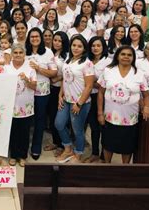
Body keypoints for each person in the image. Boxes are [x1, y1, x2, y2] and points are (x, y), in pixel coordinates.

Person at [97, 45, 149, 163]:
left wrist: (147, 107)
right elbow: (101, 93)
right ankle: (107, 165)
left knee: (127, 147)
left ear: (133, 58)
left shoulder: (139, 74)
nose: (126, 57)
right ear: (117, 56)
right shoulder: (108, 71)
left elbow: (146, 96)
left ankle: (125, 167)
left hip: (130, 118)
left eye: (129, 55)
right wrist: (100, 113)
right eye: (123, 54)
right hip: (110, 116)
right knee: (108, 144)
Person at [55, 35, 94, 164]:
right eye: (74, 45)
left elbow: (89, 86)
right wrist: (60, 95)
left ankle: (78, 153)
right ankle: (68, 148)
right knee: (59, 124)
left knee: (77, 129)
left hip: (79, 103)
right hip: (66, 100)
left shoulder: (87, 63)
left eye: (79, 46)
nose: (76, 48)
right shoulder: (68, 60)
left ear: (84, 48)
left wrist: (79, 103)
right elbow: (65, 80)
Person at [26, 28, 57, 160]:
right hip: (25, 91)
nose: (34, 39)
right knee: (25, 120)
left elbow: (54, 73)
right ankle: (22, 145)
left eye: (37, 36)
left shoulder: (48, 52)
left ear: (41, 38)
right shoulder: (24, 51)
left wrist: (39, 68)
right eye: (32, 37)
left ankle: (36, 147)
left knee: (40, 120)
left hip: (42, 92)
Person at [5, 43, 37, 167]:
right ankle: (13, 155)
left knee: (24, 132)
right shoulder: (7, 68)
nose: (18, 55)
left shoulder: (30, 68)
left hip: (25, 106)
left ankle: (23, 156)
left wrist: (26, 79)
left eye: (20, 53)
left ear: (24, 54)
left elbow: (35, 86)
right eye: (15, 53)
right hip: (10, 106)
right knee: (12, 131)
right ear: (12, 54)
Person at [84, 36, 111, 163]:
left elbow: (104, 84)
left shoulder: (108, 62)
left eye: (98, 45)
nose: (95, 48)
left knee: (103, 125)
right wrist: (92, 82)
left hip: (102, 97)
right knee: (93, 125)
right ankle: (94, 152)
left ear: (103, 47)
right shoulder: (86, 60)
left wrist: (91, 82)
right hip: (88, 96)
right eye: (93, 45)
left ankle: (103, 154)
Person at [44, 31, 69, 154]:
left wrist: (57, 79)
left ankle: (63, 145)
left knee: (60, 120)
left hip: (62, 89)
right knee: (52, 116)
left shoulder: (67, 56)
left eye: (60, 41)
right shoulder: (49, 53)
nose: (57, 43)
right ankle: (55, 142)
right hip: (50, 88)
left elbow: (68, 73)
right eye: (55, 40)